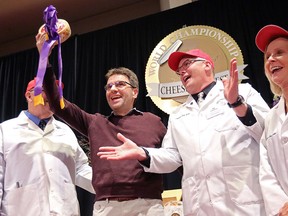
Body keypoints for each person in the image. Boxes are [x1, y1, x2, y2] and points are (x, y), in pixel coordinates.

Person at [98, 48, 271, 215]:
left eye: (187, 64)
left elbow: (266, 132)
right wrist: (142, 153)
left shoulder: (243, 92)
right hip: (199, 206)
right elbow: (172, 157)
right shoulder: (178, 114)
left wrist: (236, 103)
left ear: (207, 66)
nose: (182, 72)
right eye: (179, 71)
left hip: (244, 203)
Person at [41, 54, 167, 214]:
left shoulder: (153, 122)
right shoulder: (96, 123)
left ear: (135, 92)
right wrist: (44, 58)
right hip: (107, 207)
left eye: (120, 84)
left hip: (147, 206)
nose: (113, 89)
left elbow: (175, 157)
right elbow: (57, 104)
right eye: (109, 87)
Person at [0, 78, 94, 215]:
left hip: (65, 211)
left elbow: (80, 168)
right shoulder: (5, 130)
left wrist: (112, 187)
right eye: (46, 91)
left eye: (56, 92)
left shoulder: (65, 130)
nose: (52, 96)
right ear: (29, 95)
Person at [255, 24, 288, 216]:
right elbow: (267, 172)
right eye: (268, 56)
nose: (271, 59)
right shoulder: (272, 118)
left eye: (279, 52)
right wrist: (281, 208)